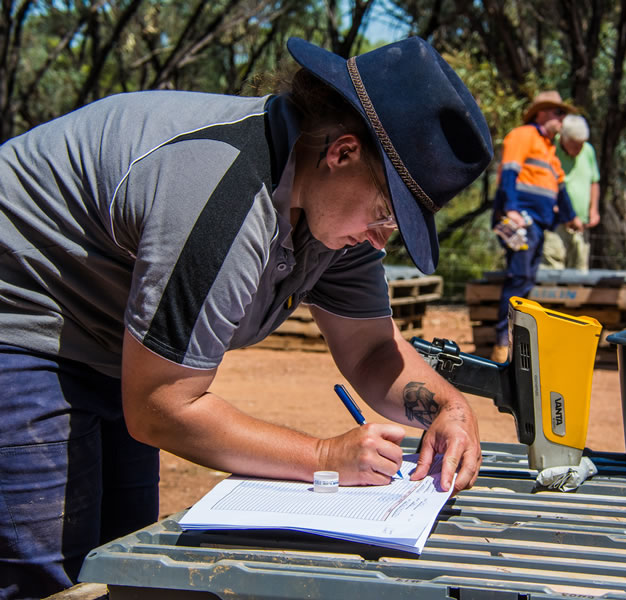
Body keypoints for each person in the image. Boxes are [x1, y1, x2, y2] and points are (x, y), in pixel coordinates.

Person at [0, 36, 493, 598]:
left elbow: (372, 351)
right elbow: (161, 406)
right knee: (48, 579)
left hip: (112, 343)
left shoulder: (331, 213)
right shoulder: (228, 196)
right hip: (20, 313)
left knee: (120, 561)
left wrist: (449, 406)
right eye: (387, 212)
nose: (383, 240)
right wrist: (322, 457)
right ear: (343, 152)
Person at [491, 91, 583, 363]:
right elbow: (509, 172)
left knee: (527, 280)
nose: (562, 119)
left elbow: (561, 190)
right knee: (518, 278)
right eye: (558, 113)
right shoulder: (522, 135)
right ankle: (502, 343)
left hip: (538, 225)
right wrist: (510, 209)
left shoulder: (550, 150)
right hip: (520, 220)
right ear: (541, 113)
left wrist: (571, 218)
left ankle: (517, 340)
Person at [541, 114, 601, 271]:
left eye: (582, 144)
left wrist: (593, 210)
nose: (579, 149)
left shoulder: (588, 151)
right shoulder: (550, 149)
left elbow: (594, 181)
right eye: (575, 145)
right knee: (552, 272)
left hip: (581, 226)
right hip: (556, 225)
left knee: (580, 274)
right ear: (563, 138)